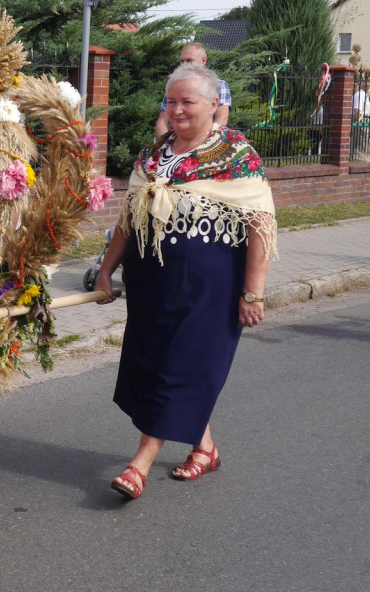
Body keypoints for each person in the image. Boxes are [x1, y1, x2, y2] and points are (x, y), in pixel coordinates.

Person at [95, 62, 275, 500]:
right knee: (158, 364)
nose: (177, 110)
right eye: (171, 101)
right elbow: (127, 218)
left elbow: (260, 224)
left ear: (214, 105)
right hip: (151, 288)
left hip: (208, 291)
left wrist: (253, 291)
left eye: (187, 101)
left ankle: (140, 463)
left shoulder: (236, 154)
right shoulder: (154, 153)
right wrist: (105, 269)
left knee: (179, 366)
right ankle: (205, 447)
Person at [154, 42, 230, 137]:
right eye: (182, 61)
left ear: (203, 61)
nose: (185, 65)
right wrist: (164, 144)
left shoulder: (218, 85)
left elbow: (222, 119)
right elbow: (162, 121)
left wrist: (206, 143)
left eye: (189, 61)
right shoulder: (175, 87)